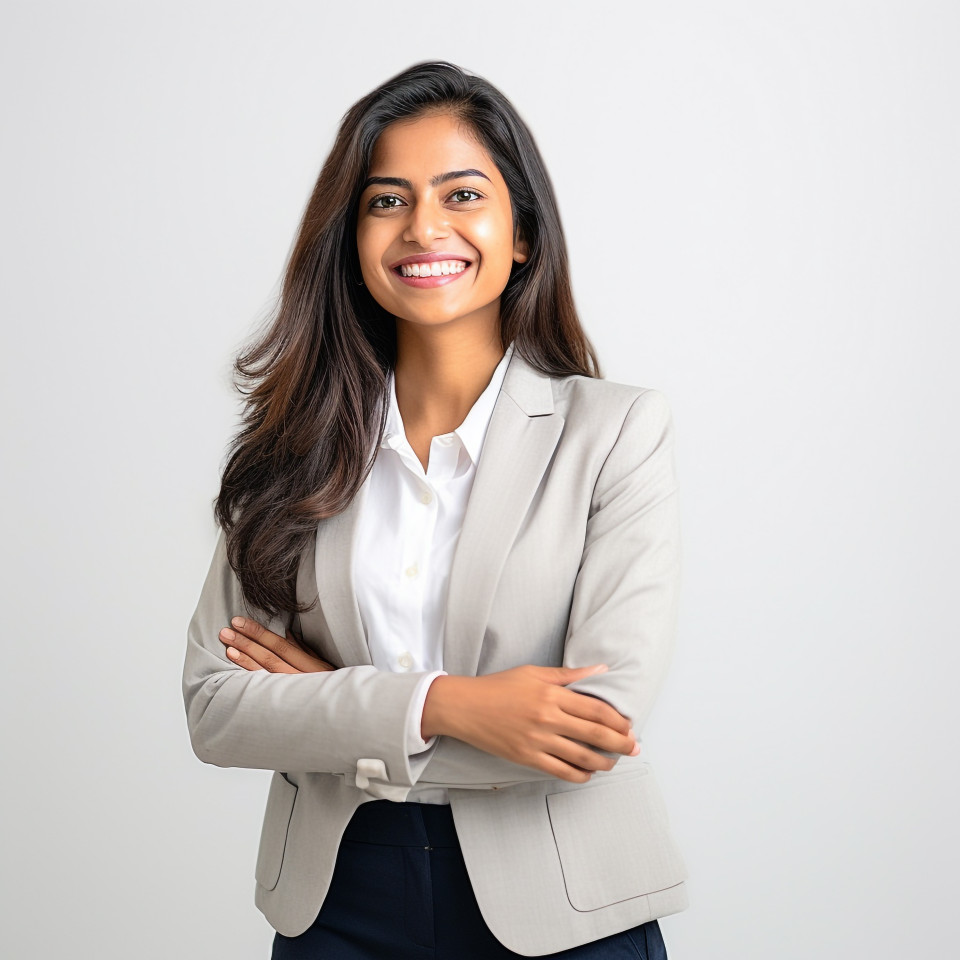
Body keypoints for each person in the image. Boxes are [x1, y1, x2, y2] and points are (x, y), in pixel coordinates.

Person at [183, 59, 688, 959]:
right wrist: (446, 706)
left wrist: (331, 708)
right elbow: (218, 709)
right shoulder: (288, 452)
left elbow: (594, 728)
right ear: (350, 233)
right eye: (387, 200)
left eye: (462, 194)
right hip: (339, 901)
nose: (425, 227)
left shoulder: (615, 434)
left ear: (522, 233)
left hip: (565, 904)